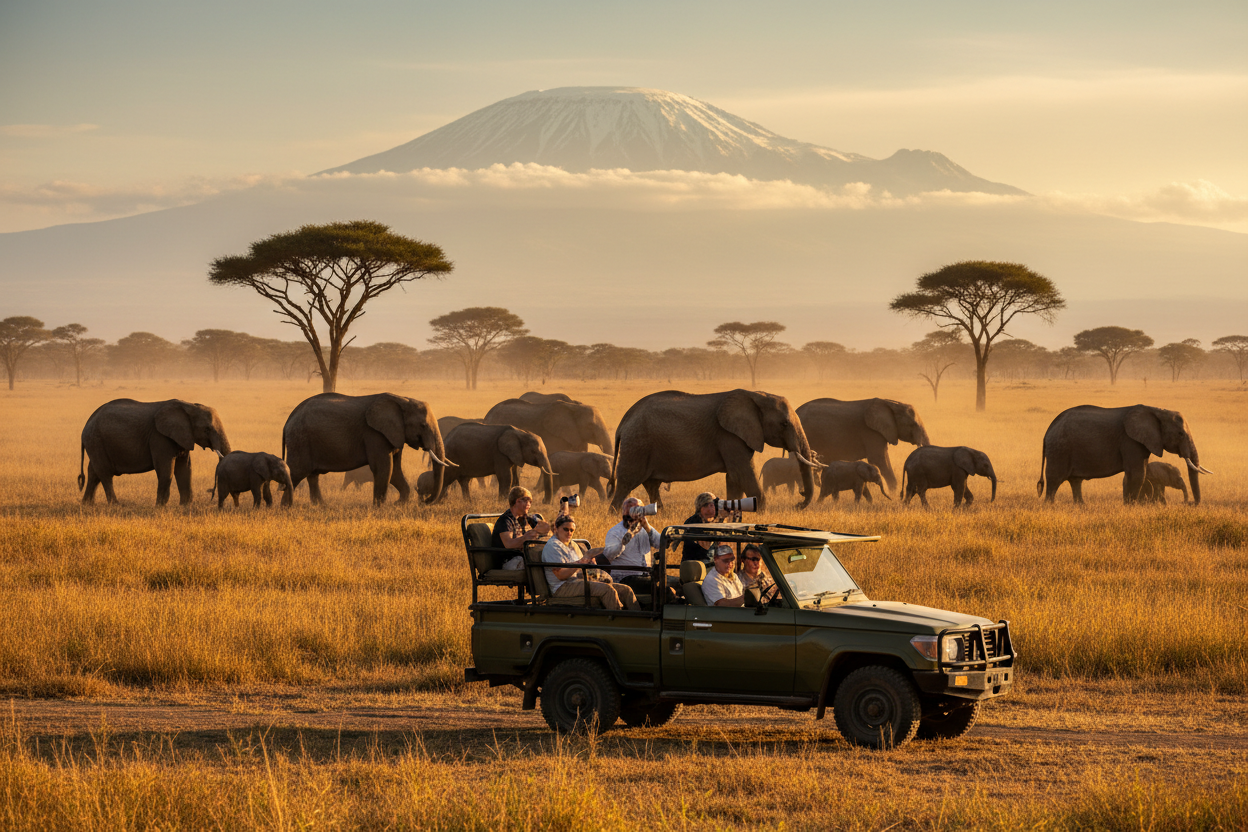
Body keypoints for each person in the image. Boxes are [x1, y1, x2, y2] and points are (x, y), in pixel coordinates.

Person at [542, 514, 640, 610]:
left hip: (578, 581)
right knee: (607, 590)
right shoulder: (553, 547)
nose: (569, 533)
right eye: (566, 529)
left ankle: (641, 622)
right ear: (557, 528)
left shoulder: (572, 545)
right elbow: (561, 575)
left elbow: (582, 566)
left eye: (572, 530)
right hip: (562, 586)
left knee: (626, 590)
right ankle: (621, 621)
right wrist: (581, 563)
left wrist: (591, 565)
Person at [603, 496, 664, 598]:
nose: (630, 513)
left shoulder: (645, 529)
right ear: (623, 511)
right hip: (625, 578)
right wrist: (626, 539)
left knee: (673, 583)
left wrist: (647, 526)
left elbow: (660, 544)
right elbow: (608, 555)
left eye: (635, 509)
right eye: (627, 508)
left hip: (646, 576)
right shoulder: (615, 531)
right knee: (663, 589)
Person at [492, 486, 551, 571]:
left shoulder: (525, 518)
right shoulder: (505, 521)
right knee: (538, 563)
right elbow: (509, 544)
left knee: (549, 556)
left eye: (530, 502)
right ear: (517, 501)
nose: (529, 504)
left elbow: (545, 530)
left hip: (521, 557)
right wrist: (526, 537)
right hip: (508, 562)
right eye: (527, 500)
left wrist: (545, 529)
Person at [681, 491, 720, 563]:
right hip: (696, 566)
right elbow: (703, 548)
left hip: (710, 564)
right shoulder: (694, 522)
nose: (711, 509)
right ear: (700, 508)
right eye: (706, 505)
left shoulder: (714, 521)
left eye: (713, 505)